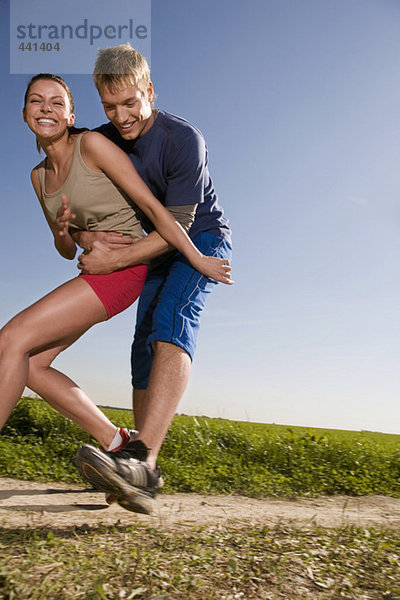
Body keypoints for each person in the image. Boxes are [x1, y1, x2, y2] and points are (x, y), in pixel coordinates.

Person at [0, 74, 231, 471]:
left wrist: (195, 257)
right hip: (96, 270)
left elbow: (160, 211)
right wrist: (68, 233)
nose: (46, 109)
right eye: (36, 102)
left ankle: (143, 457)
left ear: (72, 115)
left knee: (10, 339)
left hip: (130, 264)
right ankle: (117, 440)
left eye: (57, 102)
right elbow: (66, 247)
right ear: (23, 114)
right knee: (31, 365)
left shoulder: (94, 144)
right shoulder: (38, 178)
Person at [75, 45, 233, 515]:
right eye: (109, 106)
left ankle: (144, 457)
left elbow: (178, 227)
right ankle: (134, 470)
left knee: (171, 320)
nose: (120, 116)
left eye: (130, 103)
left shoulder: (183, 138)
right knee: (141, 346)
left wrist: (110, 263)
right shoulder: (102, 140)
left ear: (148, 90)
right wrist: (84, 234)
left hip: (198, 241)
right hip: (153, 251)